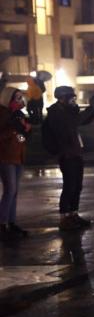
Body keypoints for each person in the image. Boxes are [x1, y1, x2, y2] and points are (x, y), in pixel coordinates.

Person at [44, 86, 94, 231]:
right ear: (62, 98)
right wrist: (91, 108)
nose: (73, 101)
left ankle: (74, 214)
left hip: (75, 151)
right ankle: (64, 217)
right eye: (71, 98)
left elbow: (84, 120)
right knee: (69, 186)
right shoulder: (56, 113)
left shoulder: (69, 111)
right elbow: (74, 122)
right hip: (66, 153)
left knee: (77, 186)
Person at [0, 87, 31, 239]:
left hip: (18, 155)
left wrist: (24, 131)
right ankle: (3, 223)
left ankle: (11, 223)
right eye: (16, 97)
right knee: (10, 190)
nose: (19, 100)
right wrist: (12, 129)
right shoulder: (3, 113)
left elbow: (22, 136)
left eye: (20, 97)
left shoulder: (19, 114)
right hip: (6, 157)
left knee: (15, 191)